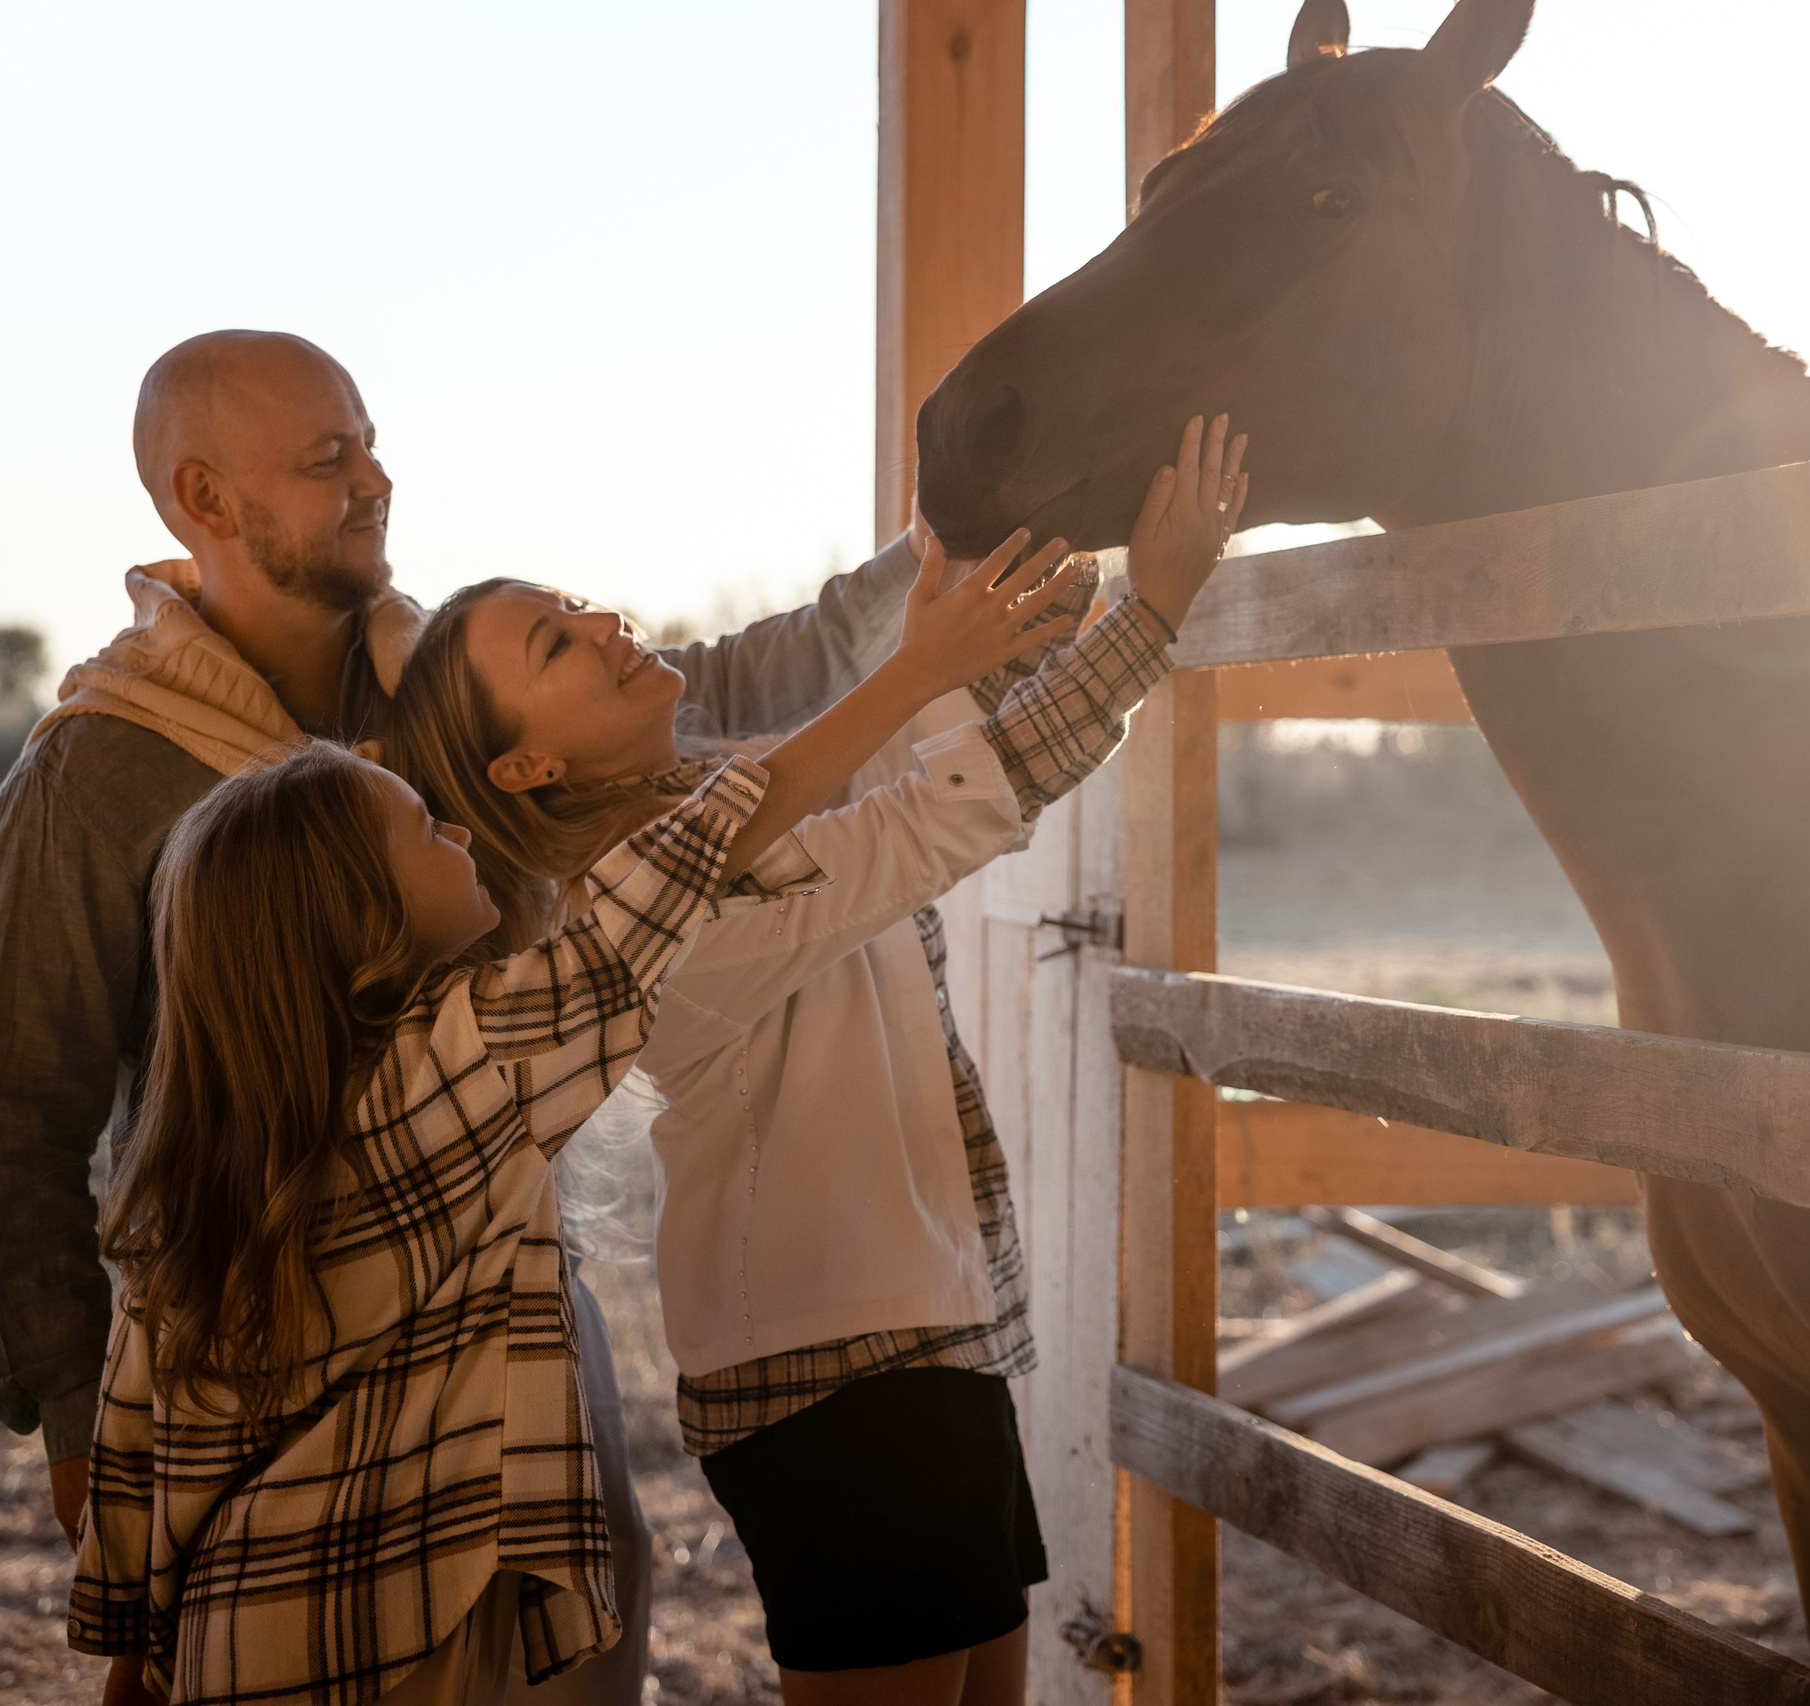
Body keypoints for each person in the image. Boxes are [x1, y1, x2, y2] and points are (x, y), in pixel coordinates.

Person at [0, 328, 927, 1704]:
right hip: (258, 1325)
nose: (375, 479)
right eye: (326, 458)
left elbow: (735, 682)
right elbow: (19, 1112)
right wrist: (72, 1417)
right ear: (204, 500)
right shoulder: (94, 775)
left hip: (507, 1275)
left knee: (583, 1616)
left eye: (368, 441)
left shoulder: (446, 689)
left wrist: (951, 539)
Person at [69, 542, 1084, 1706]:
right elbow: (678, 869)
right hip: (415, 1627)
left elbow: (142, 1439)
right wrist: (914, 673)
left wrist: (134, 1643)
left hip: (241, 1643)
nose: (458, 834)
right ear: (364, 926)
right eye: (426, 833)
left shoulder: (198, 1179)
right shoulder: (467, 1060)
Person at [386, 414, 1249, 1706]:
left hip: (928, 1341)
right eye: (555, 642)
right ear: (527, 763)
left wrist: (983, 620)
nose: (606, 623)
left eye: (580, 603)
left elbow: (923, 754)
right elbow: (949, 807)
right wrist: (1155, 606)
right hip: (838, 1387)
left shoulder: (733, 786)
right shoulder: (629, 912)